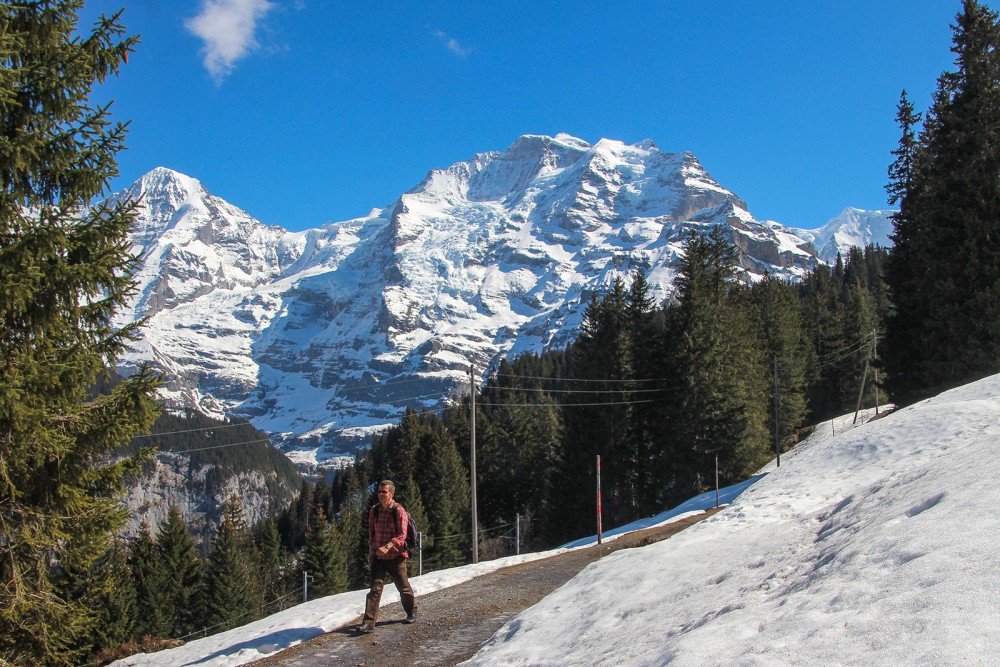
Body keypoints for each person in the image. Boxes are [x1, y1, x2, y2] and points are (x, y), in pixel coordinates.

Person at [357, 480, 417, 633]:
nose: (381, 494)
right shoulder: (374, 510)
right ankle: (368, 623)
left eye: (384, 492)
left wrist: (388, 546)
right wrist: (372, 551)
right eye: (379, 492)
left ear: (392, 493)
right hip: (378, 556)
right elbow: (371, 532)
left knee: (403, 588)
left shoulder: (398, 511)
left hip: (396, 556)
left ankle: (411, 611)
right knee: (375, 589)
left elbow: (402, 535)